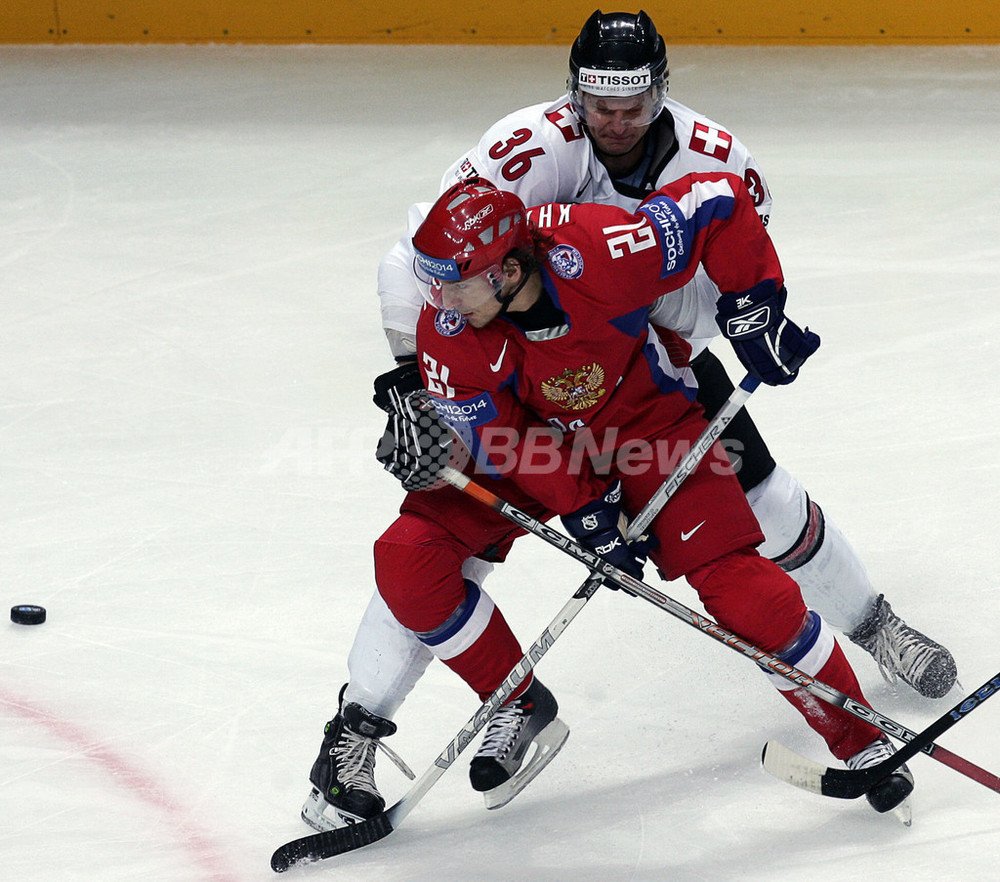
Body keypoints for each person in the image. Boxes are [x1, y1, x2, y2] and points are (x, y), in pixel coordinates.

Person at [301, 9, 947, 830]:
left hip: (647, 383)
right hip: (531, 409)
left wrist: (757, 313)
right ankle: (424, 716)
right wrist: (413, 388)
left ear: (661, 94)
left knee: (764, 513)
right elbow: (431, 290)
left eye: (631, 105)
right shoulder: (498, 215)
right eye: (597, 103)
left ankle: (872, 640)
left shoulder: (626, 227)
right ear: (573, 93)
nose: (613, 121)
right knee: (417, 552)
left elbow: (719, 216)